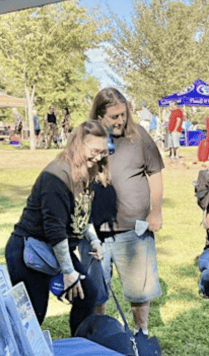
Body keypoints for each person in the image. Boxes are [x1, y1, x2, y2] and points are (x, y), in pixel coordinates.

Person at [4, 120, 110, 335]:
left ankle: (80, 349)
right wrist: (68, 272)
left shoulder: (85, 173)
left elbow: (83, 215)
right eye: (94, 151)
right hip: (28, 250)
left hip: (54, 246)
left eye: (102, 152)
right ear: (78, 145)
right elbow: (55, 230)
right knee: (33, 315)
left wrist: (95, 241)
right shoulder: (57, 176)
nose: (98, 158)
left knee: (87, 294)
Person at [87, 88, 164, 336]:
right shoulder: (87, 137)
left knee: (139, 289)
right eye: (114, 116)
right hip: (95, 232)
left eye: (124, 114)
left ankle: (141, 332)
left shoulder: (138, 135)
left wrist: (156, 212)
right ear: (99, 117)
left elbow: (155, 173)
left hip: (134, 228)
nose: (121, 120)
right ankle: (100, 334)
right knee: (97, 288)